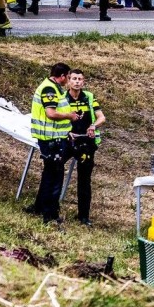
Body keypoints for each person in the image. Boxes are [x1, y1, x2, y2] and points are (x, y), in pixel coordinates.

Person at [26, 63, 75, 225]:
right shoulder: (49, 89)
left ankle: (39, 206)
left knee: (48, 173)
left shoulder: (53, 88)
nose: (68, 80)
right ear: (61, 76)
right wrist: (70, 116)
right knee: (56, 175)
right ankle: (50, 213)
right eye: (68, 77)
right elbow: (51, 113)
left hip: (54, 137)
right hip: (51, 140)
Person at [63, 68, 106, 226]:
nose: (77, 81)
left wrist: (93, 126)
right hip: (68, 141)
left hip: (86, 143)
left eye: (80, 79)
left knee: (84, 180)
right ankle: (48, 208)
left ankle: (83, 216)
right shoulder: (63, 98)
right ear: (68, 80)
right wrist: (67, 132)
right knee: (54, 170)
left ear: (83, 81)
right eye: (74, 78)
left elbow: (102, 117)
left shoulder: (89, 97)